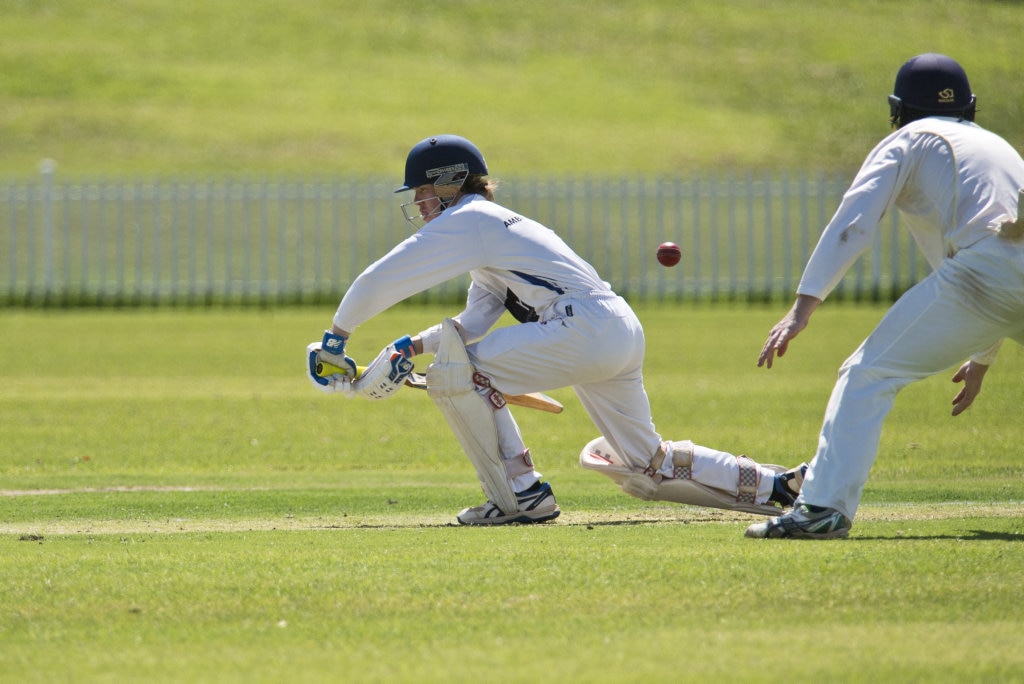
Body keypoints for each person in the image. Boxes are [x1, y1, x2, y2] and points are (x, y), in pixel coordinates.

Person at [308, 134, 807, 525]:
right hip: (616, 329)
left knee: (456, 375)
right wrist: (410, 345)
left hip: (582, 329)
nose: (418, 204)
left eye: (421, 191)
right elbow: (472, 326)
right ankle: (777, 485)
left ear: (447, 183)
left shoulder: (470, 220)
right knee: (644, 464)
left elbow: (385, 277)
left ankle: (521, 493)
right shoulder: (494, 235)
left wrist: (337, 337)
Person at [746, 53, 1024, 540]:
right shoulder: (996, 146)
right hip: (996, 271)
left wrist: (801, 308)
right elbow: (998, 240)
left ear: (899, 108)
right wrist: (982, 356)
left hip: (989, 274)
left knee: (866, 373)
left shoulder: (910, 139)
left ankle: (823, 510)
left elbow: (854, 224)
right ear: (970, 106)